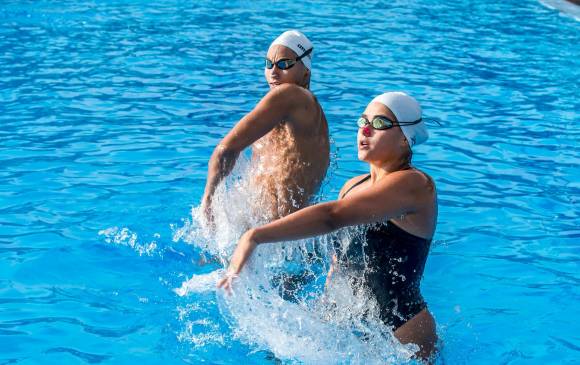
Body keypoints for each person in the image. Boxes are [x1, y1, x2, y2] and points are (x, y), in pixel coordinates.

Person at [218, 92, 438, 360]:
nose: (365, 129)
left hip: (403, 333)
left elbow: (331, 217)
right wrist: (324, 313)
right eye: (363, 121)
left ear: (406, 138)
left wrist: (255, 236)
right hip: (355, 325)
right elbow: (341, 263)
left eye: (379, 124)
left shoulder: (416, 185)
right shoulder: (353, 187)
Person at [201, 30, 329, 224]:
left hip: (263, 228)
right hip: (289, 229)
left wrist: (208, 201)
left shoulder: (290, 94)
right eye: (268, 64)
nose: (273, 72)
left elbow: (225, 150)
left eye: (284, 64)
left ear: (306, 70)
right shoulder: (313, 115)